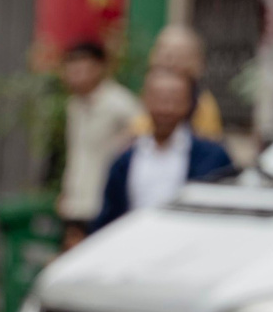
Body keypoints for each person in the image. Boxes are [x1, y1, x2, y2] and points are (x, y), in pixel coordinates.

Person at [92, 64, 234, 235]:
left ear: (190, 103)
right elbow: (109, 218)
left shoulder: (212, 158)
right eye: (159, 99)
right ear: (145, 100)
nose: (166, 109)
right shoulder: (125, 160)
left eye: (175, 100)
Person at [57, 39, 135, 236]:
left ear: (99, 68)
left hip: (105, 205)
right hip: (75, 205)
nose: (75, 77)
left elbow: (142, 139)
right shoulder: (74, 105)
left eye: (81, 69)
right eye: (71, 70)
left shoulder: (120, 103)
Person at [139, 23, 226, 141]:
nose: (169, 61)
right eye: (163, 52)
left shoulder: (203, 105)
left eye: (178, 54)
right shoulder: (146, 94)